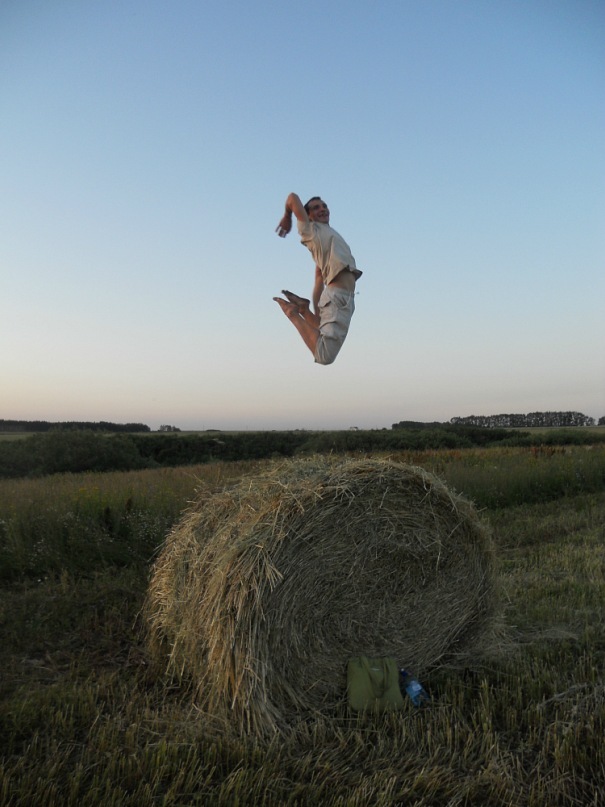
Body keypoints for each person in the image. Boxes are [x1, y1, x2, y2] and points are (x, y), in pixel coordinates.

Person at [274, 193, 362, 365]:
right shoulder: (310, 231)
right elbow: (292, 198)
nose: (322, 209)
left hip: (342, 298)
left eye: (324, 206)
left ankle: (302, 309)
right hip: (338, 296)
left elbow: (318, 279)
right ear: (308, 216)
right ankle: (292, 313)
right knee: (324, 356)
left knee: (321, 332)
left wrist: (313, 312)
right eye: (316, 208)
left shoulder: (328, 234)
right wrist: (287, 217)